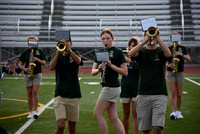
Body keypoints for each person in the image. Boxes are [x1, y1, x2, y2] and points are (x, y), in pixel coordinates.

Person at [129, 29, 171, 134]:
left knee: (157, 127)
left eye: (152, 36)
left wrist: (157, 38)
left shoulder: (160, 52)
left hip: (159, 93)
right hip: (143, 93)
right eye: (147, 36)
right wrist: (145, 40)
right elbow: (131, 53)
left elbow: (169, 54)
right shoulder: (142, 52)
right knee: (146, 130)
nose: (150, 38)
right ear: (144, 37)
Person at [91, 28, 127, 134]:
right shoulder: (100, 52)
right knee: (113, 117)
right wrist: (98, 69)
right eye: (103, 39)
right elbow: (92, 71)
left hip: (111, 87)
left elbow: (125, 72)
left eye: (108, 38)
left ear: (112, 39)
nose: (106, 41)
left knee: (97, 114)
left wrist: (111, 65)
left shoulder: (118, 52)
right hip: (108, 86)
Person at [49, 37, 83, 134]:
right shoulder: (57, 55)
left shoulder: (75, 54)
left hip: (74, 94)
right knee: (61, 125)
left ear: (71, 43)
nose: (65, 43)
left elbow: (79, 61)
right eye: (62, 42)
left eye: (67, 41)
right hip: (60, 94)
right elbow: (51, 67)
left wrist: (69, 51)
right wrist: (57, 53)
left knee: (72, 126)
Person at [19, 36, 46, 119]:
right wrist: (25, 69)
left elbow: (44, 63)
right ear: (28, 43)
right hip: (28, 73)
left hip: (37, 73)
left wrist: (37, 59)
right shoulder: (25, 52)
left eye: (33, 41)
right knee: (29, 93)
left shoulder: (39, 51)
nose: (32, 43)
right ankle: (30, 111)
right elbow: (20, 65)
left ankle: (35, 111)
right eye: (30, 42)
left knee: (35, 92)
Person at [166, 32, 191, 120]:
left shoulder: (183, 48)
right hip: (170, 72)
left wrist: (180, 54)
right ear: (170, 39)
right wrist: (168, 65)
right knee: (172, 92)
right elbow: (164, 61)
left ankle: (178, 111)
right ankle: (172, 112)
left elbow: (188, 59)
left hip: (180, 71)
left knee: (179, 94)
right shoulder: (168, 48)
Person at [120, 36, 139, 134]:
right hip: (125, 86)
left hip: (136, 87)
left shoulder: (140, 56)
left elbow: (136, 65)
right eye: (132, 46)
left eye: (136, 46)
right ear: (128, 47)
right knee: (126, 114)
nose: (134, 47)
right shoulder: (124, 56)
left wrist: (128, 59)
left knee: (135, 114)